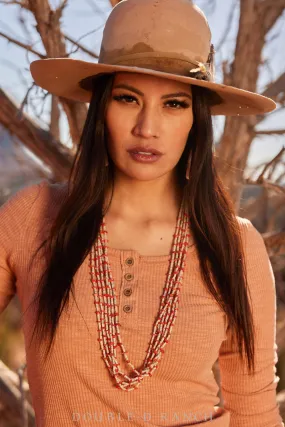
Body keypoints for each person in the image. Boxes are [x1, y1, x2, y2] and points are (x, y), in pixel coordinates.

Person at [0, 0, 283, 426]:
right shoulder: (34, 216)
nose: (147, 127)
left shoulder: (235, 244)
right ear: (101, 108)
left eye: (174, 104)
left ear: (196, 119)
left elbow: (255, 409)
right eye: (128, 98)